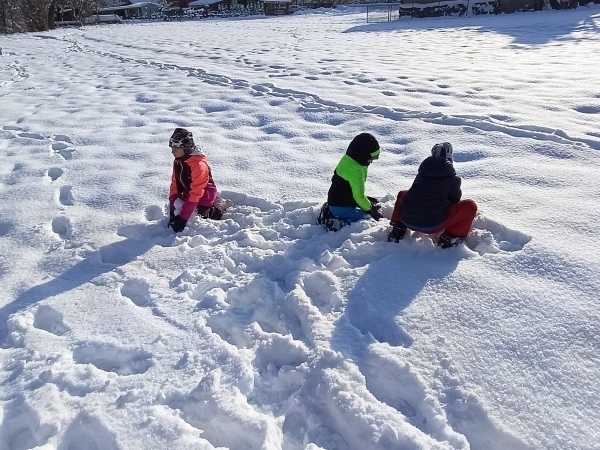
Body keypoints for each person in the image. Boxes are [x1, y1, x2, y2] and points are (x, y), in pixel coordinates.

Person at [388, 142, 477, 248]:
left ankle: (398, 228)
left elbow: (414, 193)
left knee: (403, 194)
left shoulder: (421, 175)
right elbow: (454, 201)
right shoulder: (453, 179)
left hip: (407, 220)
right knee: (469, 206)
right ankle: (450, 237)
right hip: (433, 225)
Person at [318, 133, 383, 231]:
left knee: (368, 205)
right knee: (366, 218)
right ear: (363, 155)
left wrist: (368, 204)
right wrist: (370, 210)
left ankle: (329, 210)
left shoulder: (349, 159)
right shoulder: (356, 171)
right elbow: (359, 197)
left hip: (336, 199)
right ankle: (333, 222)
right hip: (341, 207)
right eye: (371, 158)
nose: (371, 162)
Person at [167, 128, 225, 233]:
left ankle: (220, 206)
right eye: (172, 147)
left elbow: (196, 192)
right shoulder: (178, 161)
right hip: (189, 193)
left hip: (205, 196)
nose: (172, 151)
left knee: (202, 215)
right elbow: (175, 185)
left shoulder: (198, 165)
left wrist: (183, 218)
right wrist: (173, 211)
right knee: (184, 208)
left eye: (176, 148)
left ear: (185, 148)